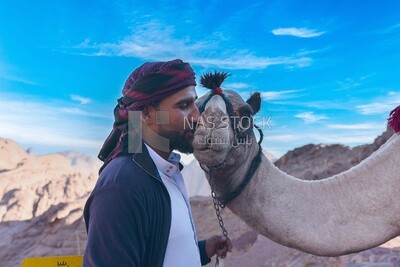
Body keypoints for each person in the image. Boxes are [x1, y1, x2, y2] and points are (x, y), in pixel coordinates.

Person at [83, 59, 232, 267]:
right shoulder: (122, 186)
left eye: (194, 103)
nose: (197, 116)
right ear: (146, 115)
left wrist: (200, 251)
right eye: (184, 105)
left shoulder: (166, 170)